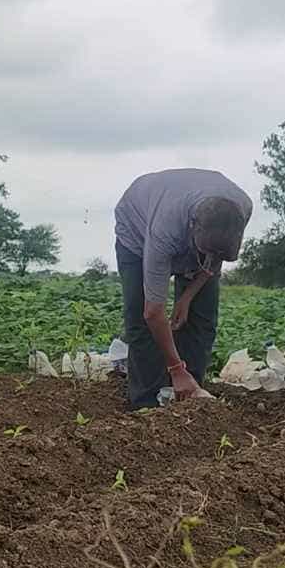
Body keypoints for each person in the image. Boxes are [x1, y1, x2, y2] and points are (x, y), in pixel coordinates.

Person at [114, 169, 253, 408]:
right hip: (137, 232)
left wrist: (188, 296)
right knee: (140, 320)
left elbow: (215, 259)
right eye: (204, 251)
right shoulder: (163, 231)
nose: (206, 257)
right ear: (192, 227)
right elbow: (153, 312)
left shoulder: (242, 207)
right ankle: (147, 404)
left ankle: (191, 396)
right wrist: (176, 369)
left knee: (201, 317)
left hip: (189, 227)